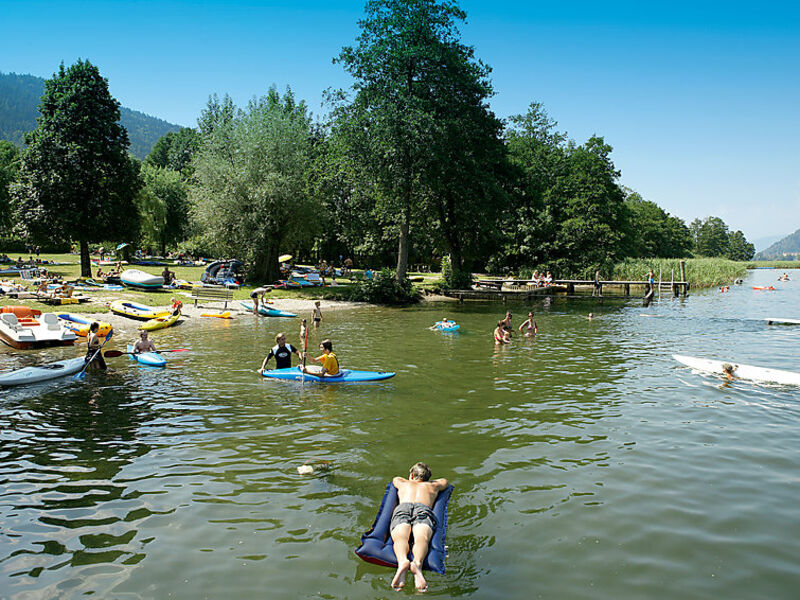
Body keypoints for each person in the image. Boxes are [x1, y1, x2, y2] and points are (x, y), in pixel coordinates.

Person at [389, 462, 449, 592]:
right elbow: (445, 482)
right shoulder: (433, 486)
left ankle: (402, 562)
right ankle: (417, 563)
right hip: (423, 509)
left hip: (403, 508)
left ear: (411, 475)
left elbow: (395, 479)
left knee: (400, 538)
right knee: (422, 538)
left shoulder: (403, 483)